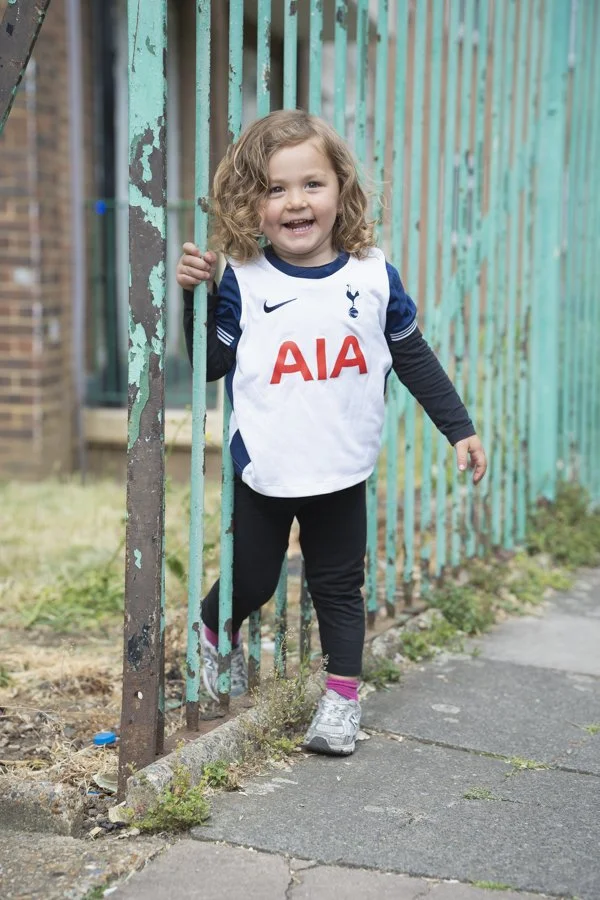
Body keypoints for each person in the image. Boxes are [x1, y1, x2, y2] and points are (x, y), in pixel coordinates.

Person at [176, 109, 487, 756]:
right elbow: (210, 365)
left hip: (342, 467)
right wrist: (196, 298)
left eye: (311, 184)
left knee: (339, 587)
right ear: (251, 204)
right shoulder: (244, 280)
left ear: (341, 188)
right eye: (274, 188)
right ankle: (213, 628)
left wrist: (458, 428)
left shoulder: (372, 276)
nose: (295, 202)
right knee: (254, 581)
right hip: (266, 465)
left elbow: (412, 356)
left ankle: (342, 702)